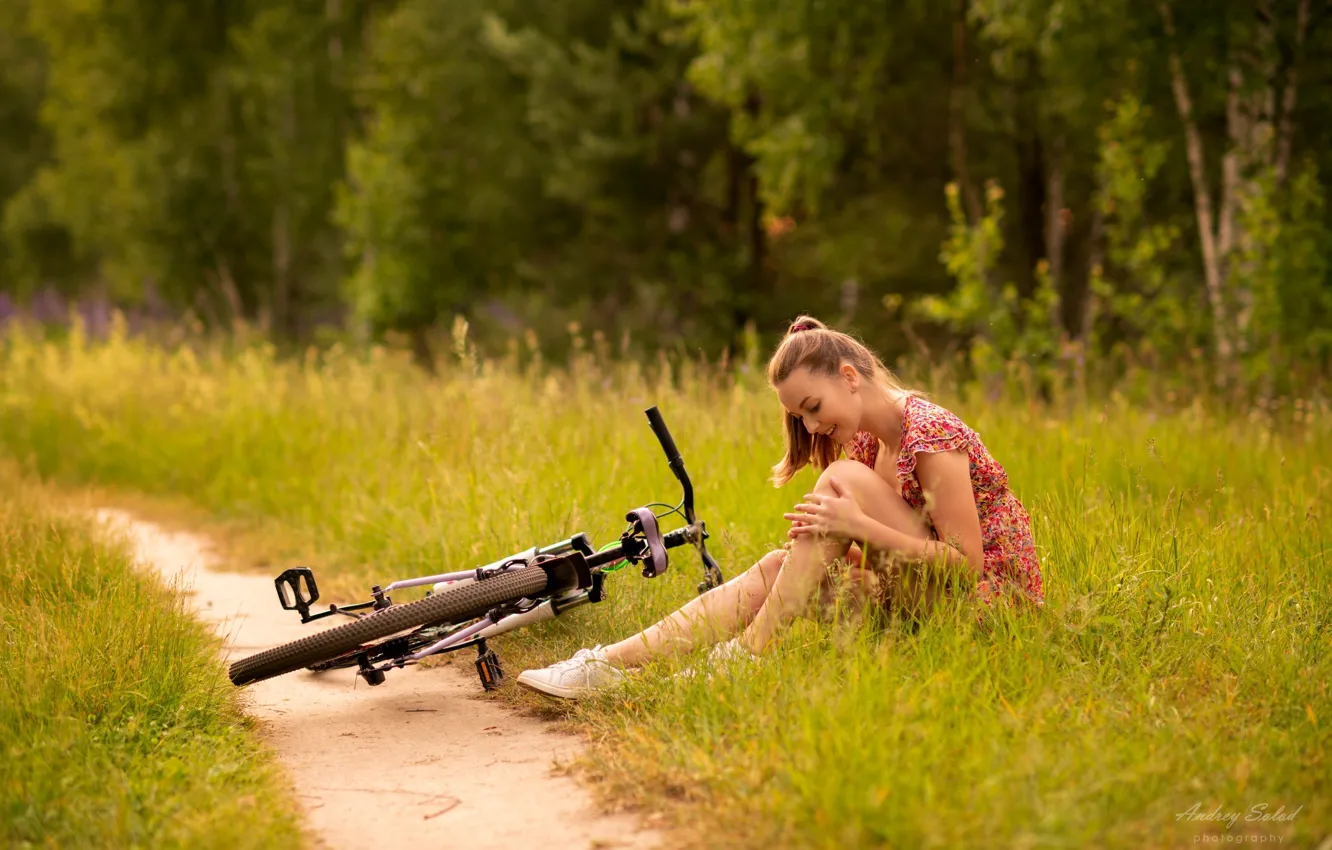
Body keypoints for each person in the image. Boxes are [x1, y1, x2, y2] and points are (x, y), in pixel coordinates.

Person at [516, 315, 1044, 699]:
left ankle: (746, 655)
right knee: (775, 567)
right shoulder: (865, 441)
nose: (811, 428)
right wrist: (829, 549)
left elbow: (965, 567)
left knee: (841, 480)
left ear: (850, 375)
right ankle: (604, 665)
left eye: (813, 408)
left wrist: (858, 525)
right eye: (800, 416)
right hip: (916, 604)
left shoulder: (931, 434)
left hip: (986, 615)